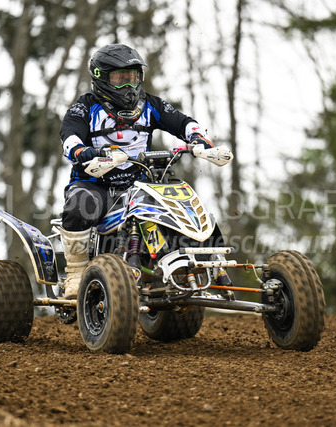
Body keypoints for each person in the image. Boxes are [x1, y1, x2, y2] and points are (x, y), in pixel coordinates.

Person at [58, 43, 228, 298]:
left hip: (139, 186)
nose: (129, 86)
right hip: (96, 185)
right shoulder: (85, 107)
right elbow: (70, 135)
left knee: (181, 198)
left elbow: (182, 122)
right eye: (120, 79)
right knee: (80, 204)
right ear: (101, 78)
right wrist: (81, 151)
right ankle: (76, 272)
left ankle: (204, 261)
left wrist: (198, 139)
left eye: (133, 78)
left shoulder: (149, 104)